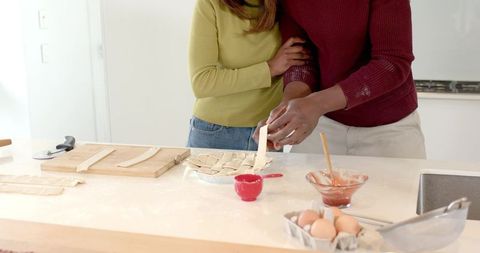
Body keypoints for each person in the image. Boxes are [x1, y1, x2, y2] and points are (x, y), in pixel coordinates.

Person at [258, 0, 426, 158]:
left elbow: (392, 63)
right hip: (323, 123)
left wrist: (316, 104)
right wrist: (286, 109)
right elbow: (301, 56)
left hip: (388, 130)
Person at [187, 0, 308, 150]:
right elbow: (202, 82)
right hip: (215, 133)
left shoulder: (286, 5)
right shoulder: (210, 4)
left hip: (266, 132)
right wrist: (269, 69)